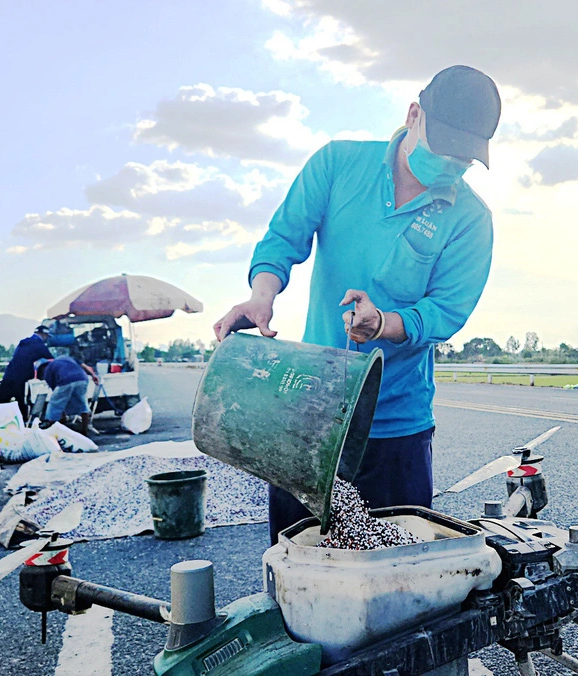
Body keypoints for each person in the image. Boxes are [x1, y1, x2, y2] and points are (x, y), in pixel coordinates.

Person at [213, 65, 501, 544]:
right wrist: (261, 296)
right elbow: (284, 238)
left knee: (397, 583)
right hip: (310, 417)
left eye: (463, 156)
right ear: (414, 116)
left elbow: (446, 312)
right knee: (298, 568)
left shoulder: (470, 219)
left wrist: (384, 323)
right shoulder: (337, 164)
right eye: (444, 145)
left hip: (396, 428)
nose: (450, 161)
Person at [0, 325, 54, 419]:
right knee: (22, 404)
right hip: (22, 378)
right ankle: (22, 425)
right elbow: (51, 359)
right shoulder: (39, 344)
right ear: (44, 334)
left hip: (9, 375)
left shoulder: (23, 342)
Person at [38, 355, 99, 435]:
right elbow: (82, 364)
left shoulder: (47, 370)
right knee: (83, 403)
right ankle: (84, 430)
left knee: (54, 405)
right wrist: (93, 375)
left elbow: (57, 396)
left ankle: (52, 431)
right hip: (82, 378)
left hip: (65, 380)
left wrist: (62, 414)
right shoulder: (66, 358)